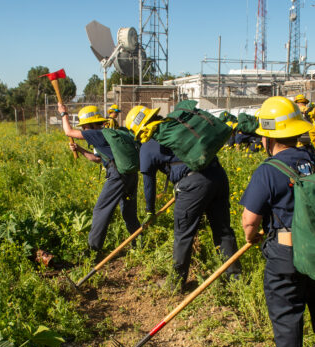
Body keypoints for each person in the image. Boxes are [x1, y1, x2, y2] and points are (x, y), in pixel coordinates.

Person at [239, 96, 315, 347]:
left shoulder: (268, 170)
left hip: (287, 252)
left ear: (266, 138)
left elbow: (250, 220)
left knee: (287, 310)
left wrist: (252, 237)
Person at [126, 104, 241, 291]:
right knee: (223, 230)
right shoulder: (177, 125)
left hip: (193, 185)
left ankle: (175, 284)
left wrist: (149, 210)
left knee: (183, 234)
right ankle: (235, 279)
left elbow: (149, 184)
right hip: (217, 174)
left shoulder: (147, 147)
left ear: (139, 131)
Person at [57, 103, 141, 253]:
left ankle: (93, 250)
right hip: (129, 175)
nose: (84, 130)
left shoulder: (96, 133)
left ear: (92, 124)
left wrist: (64, 114)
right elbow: (97, 159)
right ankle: (139, 245)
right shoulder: (107, 133)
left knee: (101, 210)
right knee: (128, 212)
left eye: (85, 127)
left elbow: (68, 131)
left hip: (117, 176)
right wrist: (80, 149)